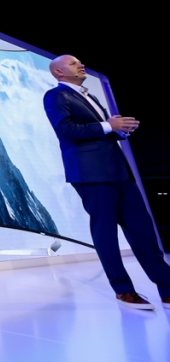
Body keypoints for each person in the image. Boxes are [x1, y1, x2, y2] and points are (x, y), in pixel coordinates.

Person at [43, 55, 170, 310]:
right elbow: (65, 130)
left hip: (119, 172)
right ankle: (123, 291)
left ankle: (167, 288)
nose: (81, 65)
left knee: (143, 231)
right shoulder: (55, 96)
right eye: (73, 63)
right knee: (106, 234)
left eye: (80, 62)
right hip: (91, 174)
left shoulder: (90, 96)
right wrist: (107, 125)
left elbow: (101, 131)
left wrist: (119, 130)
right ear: (58, 72)